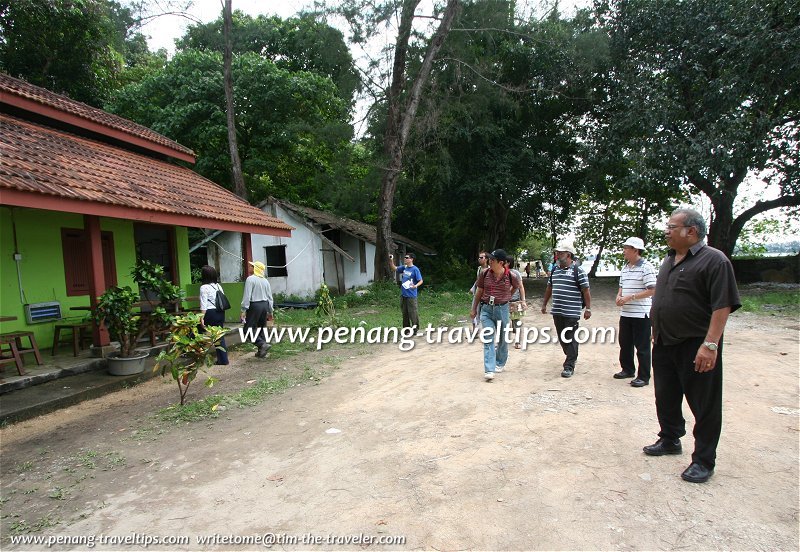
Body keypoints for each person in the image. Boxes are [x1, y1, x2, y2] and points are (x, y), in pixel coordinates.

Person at [644, 208, 740, 484]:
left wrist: (710, 344)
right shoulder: (669, 259)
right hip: (664, 342)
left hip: (695, 344)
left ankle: (703, 460)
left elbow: (722, 305)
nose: (667, 231)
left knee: (704, 404)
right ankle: (670, 438)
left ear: (692, 232)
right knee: (666, 395)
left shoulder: (714, 261)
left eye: (672, 227)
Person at [540, 241, 591, 378]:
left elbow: (585, 290)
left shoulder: (578, 271)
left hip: (572, 311)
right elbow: (549, 288)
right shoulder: (555, 271)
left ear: (568, 255)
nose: (557, 255)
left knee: (571, 337)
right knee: (563, 338)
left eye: (560, 253)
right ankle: (570, 356)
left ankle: (569, 365)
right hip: (557, 310)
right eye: (557, 252)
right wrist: (544, 304)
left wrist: (588, 308)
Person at [470, 249, 522, 381]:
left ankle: (500, 362)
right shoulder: (484, 273)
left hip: (502, 309)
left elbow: (517, 286)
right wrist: (474, 309)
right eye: (489, 259)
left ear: (501, 263)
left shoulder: (511, 276)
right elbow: (479, 291)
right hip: (486, 309)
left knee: (503, 338)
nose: (490, 261)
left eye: (492, 260)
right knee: (488, 338)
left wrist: (508, 295)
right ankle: (489, 368)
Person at [614, 237, 657, 387]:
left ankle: (644, 376)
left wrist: (630, 297)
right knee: (625, 343)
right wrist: (619, 296)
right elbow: (621, 286)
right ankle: (627, 369)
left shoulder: (646, 267)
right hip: (626, 313)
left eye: (627, 248)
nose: (624, 251)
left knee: (642, 346)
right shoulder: (625, 267)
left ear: (635, 250)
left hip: (641, 314)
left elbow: (652, 290)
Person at [241, 260, 274, 358]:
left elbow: (247, 295)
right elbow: (270, 297)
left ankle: (261, 344)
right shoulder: (265, 281)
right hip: (264, 305)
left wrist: (243, 309)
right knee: (261, 328)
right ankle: (262, 352)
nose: (250, 268)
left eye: (252, 266)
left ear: (256, 269)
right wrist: (270, 310)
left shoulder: (250, 279)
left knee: (247, 330)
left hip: (254, 305)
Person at [199, 265, 229, 365]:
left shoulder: (204, 287)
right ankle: (223, 359)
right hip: (220, 312)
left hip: (210, 313)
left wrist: (202, 317)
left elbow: (204, 304)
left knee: (203, 333)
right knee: (219, 335)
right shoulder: (218, 286)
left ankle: (199, 356)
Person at [390, 252, 423, 329]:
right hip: (403, 295)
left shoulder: (415, 269)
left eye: (406, 257)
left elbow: (421, 280)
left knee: (413, 313)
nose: (405, 258)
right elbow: (394, 268)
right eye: (404, 257)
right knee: (405, 313)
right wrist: (391, 260)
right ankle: (406, 329)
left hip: (411, 295)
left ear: (411, 259)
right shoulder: (405, 267)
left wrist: (415, 286)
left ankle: (415, 329)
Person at [508, 257, 527, 349]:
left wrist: (523, 300)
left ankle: (517, 341)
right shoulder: (500, 273)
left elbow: (521, 287)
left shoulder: (515, 273)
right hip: (504, 302)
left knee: (516, 322)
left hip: (514, 301)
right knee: (504, 322)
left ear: (507, 263)